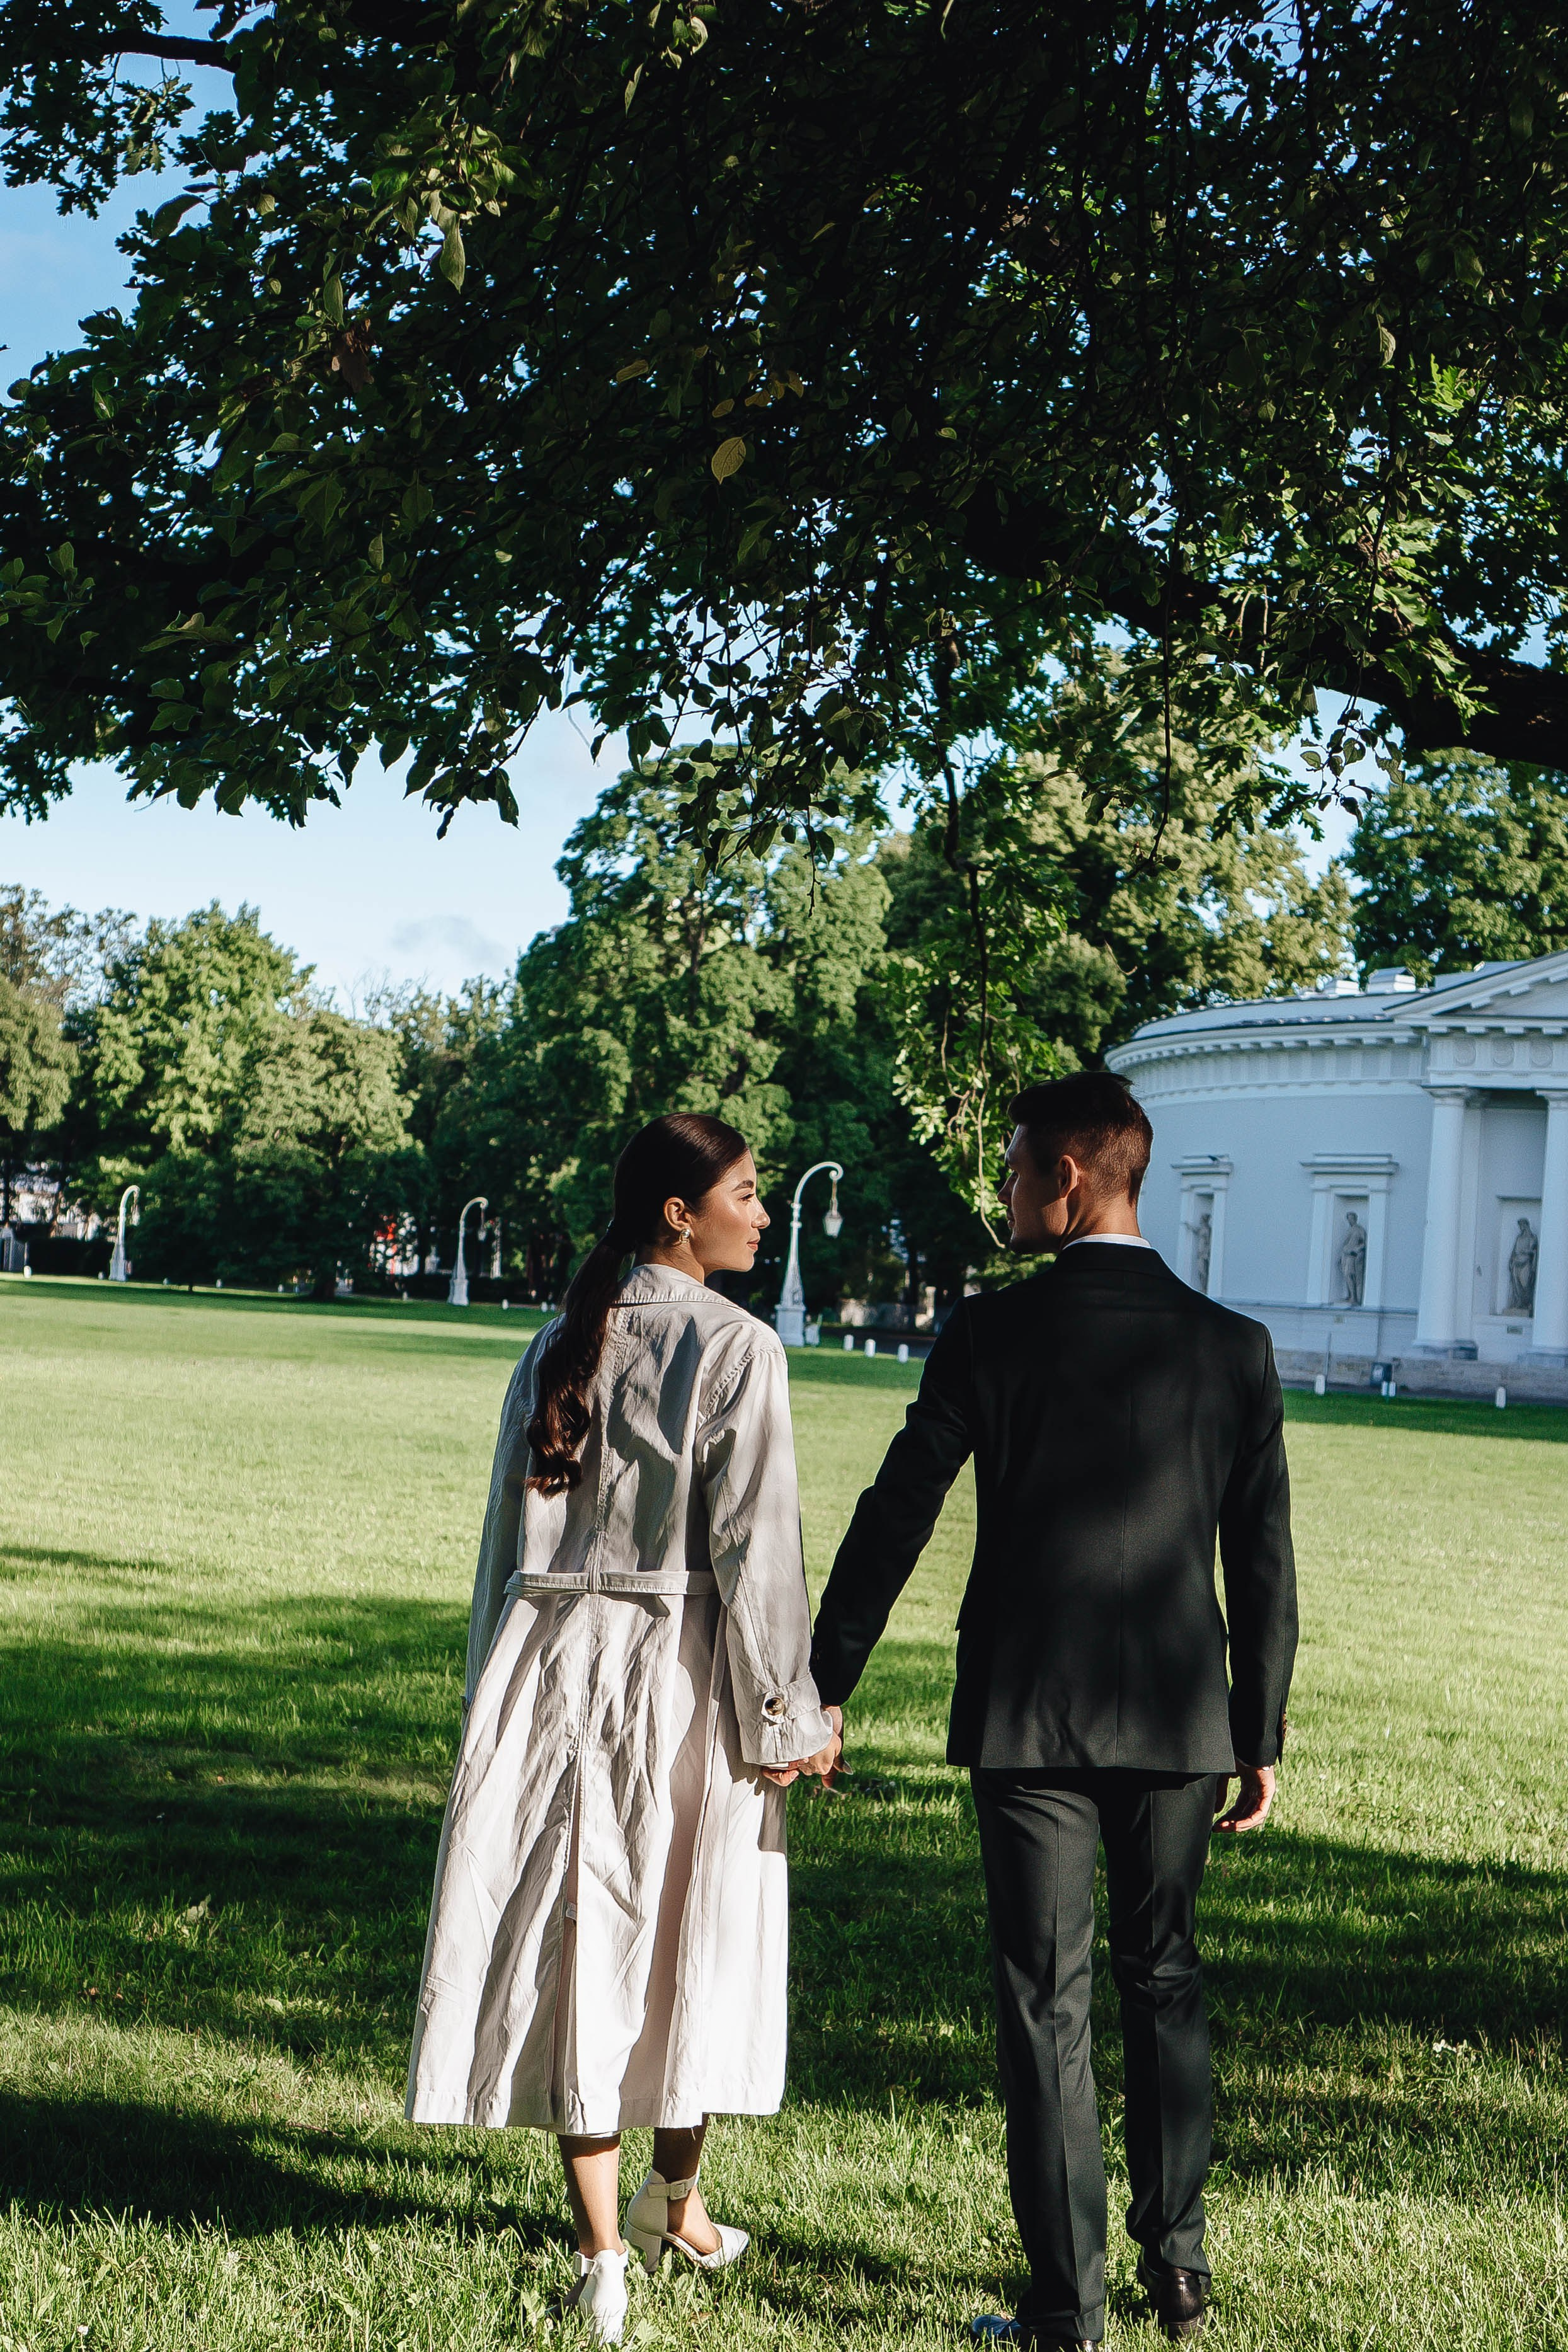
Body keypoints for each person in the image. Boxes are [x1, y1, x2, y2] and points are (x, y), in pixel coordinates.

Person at [810, 1072, 1297, 2348]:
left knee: (1048, 2001)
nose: (1006, 1187)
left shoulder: (991, 1333)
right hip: (1184, 1715)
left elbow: (899, 1505)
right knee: (1168, 1980)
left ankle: (1069, 2312)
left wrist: (823, 1676)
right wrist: (1262, 1733)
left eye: (1019, 1165)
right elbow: (1262, 1562)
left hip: (1029, 1714)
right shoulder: (1234, 1346)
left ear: (1073, 1180)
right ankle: (1178, 2264)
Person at [407, 1113, 840, 2346]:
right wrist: (787, 1714)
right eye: (748, 1193)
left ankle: (629, 2234)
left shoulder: (561, 1337)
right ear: (679, 1213)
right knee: (692, 1935)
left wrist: (488, 1684)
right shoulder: (739, 1347)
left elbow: (508, 1539)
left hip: (547, 1666)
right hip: (681, 1668)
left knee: (580, 1942)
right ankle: (662, 2205)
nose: (762, 1213)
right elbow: (757, 1554)